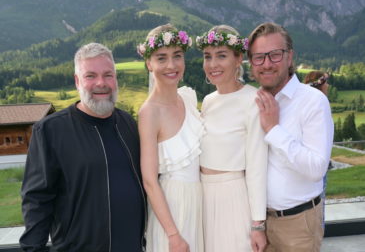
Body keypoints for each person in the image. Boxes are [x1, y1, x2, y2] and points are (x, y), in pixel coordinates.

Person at [20, 43, 146, 252]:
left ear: (116, 79)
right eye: (90, 76)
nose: (101, 83)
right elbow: (36, 200)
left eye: (108, 75)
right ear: (77, 81)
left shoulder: (129, 125)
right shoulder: (50, 130)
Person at [248, 22, 334, 252]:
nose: (266, 64)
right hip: (257, 226)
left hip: (297, 225)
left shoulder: (313, 101)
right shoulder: (253, 101)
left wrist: (274, 130)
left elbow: (317, 168)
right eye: (258, 57)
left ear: (289, 57)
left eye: (274, 55)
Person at [196, 25, 268, 252]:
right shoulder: (207, 100)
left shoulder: (253, 100)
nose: (213, 64)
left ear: (238, 59)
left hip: (234, 198)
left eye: (221, 55)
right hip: (203, 197)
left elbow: (257, 165)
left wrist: (258, 224)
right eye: (208, 57)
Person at [137, 24, 204, 252]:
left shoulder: (187, 98)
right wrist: (173, 235)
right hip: (173, 209)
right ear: (149, 63)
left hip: (198, 201)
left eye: (177, 56)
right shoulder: (149, 112)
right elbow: (149, 180)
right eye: (161, 58)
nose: (171, 65)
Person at [303, 70, 332, 226]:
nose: (328, 85)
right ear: (320, 84)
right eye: (326, 82)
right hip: (317, 165)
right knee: (319, 201)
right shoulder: (320, 105)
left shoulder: (304, 103)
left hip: (309, 164)